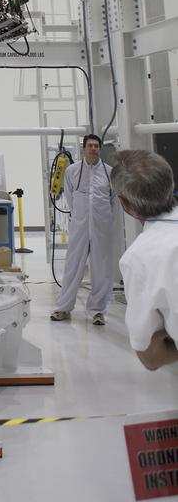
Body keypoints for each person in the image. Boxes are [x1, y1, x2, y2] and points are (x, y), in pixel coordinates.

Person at [110, 149, 178, 371]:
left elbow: (151, 356)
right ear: (171, 184)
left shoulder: (138, 258)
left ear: (124, 203)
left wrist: (167, 332)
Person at [51, 133, 117, 325]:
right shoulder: (72, 171)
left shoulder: (109, 172)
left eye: (97, 146)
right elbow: (70, 197)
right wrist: (80, 216)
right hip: (80, 225)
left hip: (101, 226)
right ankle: (63, 308)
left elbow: (114, 200)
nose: (94, 149)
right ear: (84, 148)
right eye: (90, 146)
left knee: (101, 268)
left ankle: (98, 311)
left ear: (100, 149)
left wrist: (102, 219)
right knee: (73, 265)